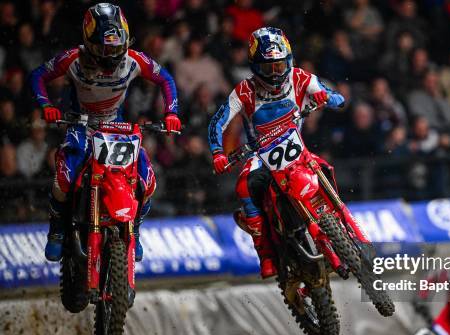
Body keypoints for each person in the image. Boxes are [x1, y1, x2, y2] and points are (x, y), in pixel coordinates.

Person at [30, 3, 181, 262]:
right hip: (81, 125)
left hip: (116, 126)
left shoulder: (133, 60)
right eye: (104, 49)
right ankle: (55, 231)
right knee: (64, 179)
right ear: (88, 43)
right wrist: (46, 106)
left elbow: (165, 78)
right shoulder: (73, 60)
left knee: (146, 180)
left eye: (116, 48)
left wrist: (172, 113)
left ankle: (135, 231)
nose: (111, 55)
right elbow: (39, 75)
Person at [208, 27, 345, 279]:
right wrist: (217, 153)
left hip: (296, 149)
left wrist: (329, 98)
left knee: (325, 166)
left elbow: (338, 98)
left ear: (288, 61)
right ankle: (266, 255)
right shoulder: (244, 91)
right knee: (243, 188)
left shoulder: (300, 77)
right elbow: (218, 122)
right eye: (268, 67)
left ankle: (339, 219)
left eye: (279, 66)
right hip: (258, 156)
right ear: (255, 66)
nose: (275, 73)